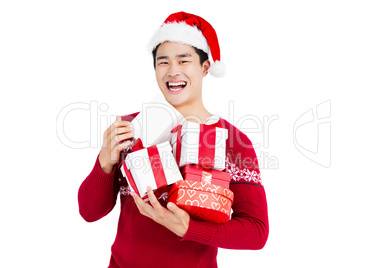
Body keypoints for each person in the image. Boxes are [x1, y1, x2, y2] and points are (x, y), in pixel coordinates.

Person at [78, 11, 269, 268]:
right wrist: (104, 162)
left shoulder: (233, 140)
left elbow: (256, 232)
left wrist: (189, 228)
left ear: (205, 67)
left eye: (183, 60)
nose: (173, 72)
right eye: (163, 62)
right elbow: (90, 213)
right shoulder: (129, 128)